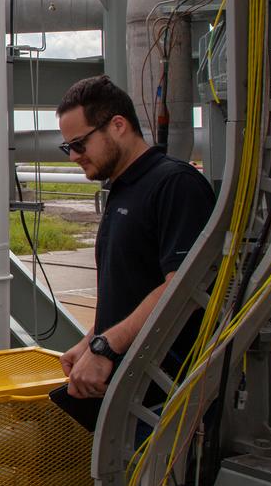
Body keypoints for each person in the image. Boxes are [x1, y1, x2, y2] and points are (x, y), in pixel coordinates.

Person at [54, 74, 215, 427]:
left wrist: (107, 346)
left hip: (168, 399)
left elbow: (184, 285)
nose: (74, 157)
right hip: (133, 391)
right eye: (68, 148)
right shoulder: (125, 189)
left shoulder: (175, 184)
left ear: (118, 125)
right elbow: (132, 287)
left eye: (79, 144)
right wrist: (92, 339)